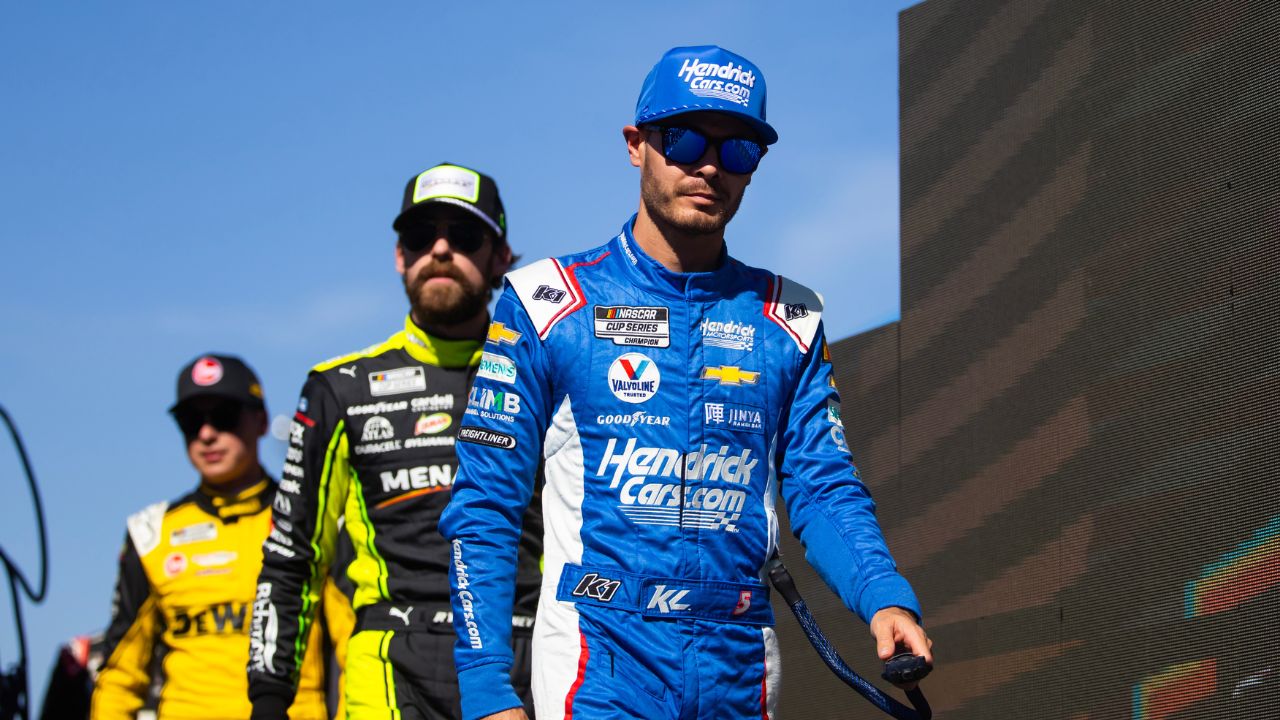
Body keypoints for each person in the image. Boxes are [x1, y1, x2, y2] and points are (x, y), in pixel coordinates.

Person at [439, 45, 934, 720]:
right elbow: (485, 507)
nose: (710, 166)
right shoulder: (546, 303)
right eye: (688, 140)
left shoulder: (787, 319)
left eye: (737, 152)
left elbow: (822, 485)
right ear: (636, 144)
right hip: (599, 664)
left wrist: (884, 595)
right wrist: (488, 690)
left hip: (740, 668)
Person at [248, 164, 544, 720]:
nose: (439, 249)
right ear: (399, 256)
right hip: (390, 663)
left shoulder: (545, 377)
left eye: (464, 236)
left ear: (502, 257)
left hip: (525, 660)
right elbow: (291, 557)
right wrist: (269, 698)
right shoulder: (338, 389)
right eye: (419, 235)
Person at [92, 354, 350, 720]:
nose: (207, 433)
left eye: (224, 417)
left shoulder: (312, 519)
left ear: (261, 421)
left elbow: (354, 647)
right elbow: (119, 675)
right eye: (191, 421)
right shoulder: (150, 534)